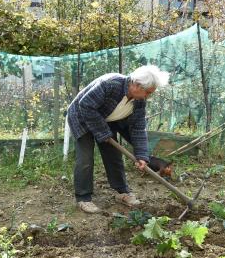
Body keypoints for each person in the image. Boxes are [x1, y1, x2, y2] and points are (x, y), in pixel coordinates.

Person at [66, 65, 170, 213]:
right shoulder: (111, 84)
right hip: (81, 117)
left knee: (114, 156)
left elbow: (138, 128)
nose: (148, 96)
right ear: (136, 85)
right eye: (147, 92)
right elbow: (86, 105)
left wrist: (142, 155)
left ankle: (122, 192)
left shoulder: (139, 101)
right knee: (85, 159)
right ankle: (84, 198)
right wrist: (103, 132)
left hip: (107, 120)